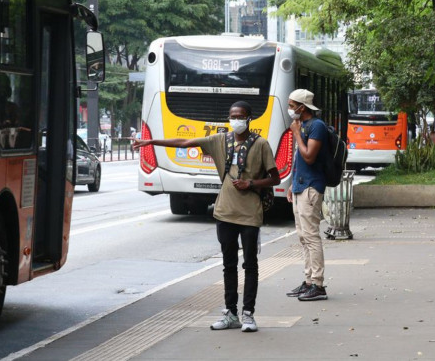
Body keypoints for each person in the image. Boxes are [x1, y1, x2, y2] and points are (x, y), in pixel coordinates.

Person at [132, 101, 280, 332]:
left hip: (250, 213)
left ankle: (248, 314)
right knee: (228, 265)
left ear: (249, 118)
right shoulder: (220, 140)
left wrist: (251, 183)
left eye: (240, 116)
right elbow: (182, 142)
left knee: (250, 265)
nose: (235, 120)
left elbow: (275, 178)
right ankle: (231, 313)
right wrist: (150, 142)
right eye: (232, 116)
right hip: (224, 212)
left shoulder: (261, 144)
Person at [285, 89, 330, 302]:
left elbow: (309, 157)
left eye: (292, 105)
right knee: (303, 238)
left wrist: (295, 133)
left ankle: (318, 284)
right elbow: (298, 160)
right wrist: (291, 185)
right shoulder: (302, 126)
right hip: (299, 186)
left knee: (311, 237)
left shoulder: (316, 126)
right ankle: (309, 280)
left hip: (311, 187)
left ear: (302, 107)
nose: (290, 109)